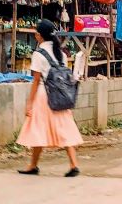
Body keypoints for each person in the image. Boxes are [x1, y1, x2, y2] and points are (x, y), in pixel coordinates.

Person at [17, 19, 82, 177]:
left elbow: (36, 81)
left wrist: (29, 103)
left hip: (43, 96)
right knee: (64, 128)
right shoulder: (62, 54)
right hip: (60, 95)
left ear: (39, 36)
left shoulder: (38, 54)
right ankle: (73, 164)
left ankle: (33, 165)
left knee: (38, 130)